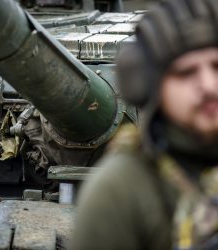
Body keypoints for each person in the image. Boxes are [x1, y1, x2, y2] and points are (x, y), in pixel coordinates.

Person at [71, 0, 218, 249]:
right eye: (186, 73)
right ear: (150, 85)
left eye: (217, 66)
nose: (209, 86)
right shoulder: (119, 192)